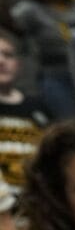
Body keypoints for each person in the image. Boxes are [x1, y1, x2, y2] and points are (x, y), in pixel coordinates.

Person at [0, 30, 52, 193]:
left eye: (8, 55)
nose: (1, 61)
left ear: (18, 64)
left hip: (34, 199)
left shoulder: (38, 107)